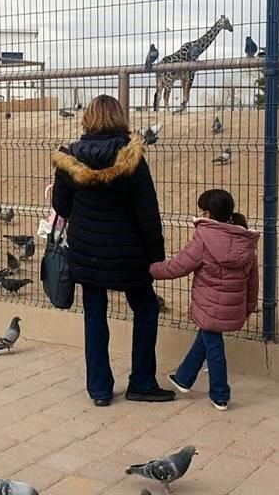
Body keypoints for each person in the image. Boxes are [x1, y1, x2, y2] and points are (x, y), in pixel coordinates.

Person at [51, 94, 173, 407]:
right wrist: (156, 255)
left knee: (94, 314)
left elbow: (61, 206)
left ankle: (100, 389)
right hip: (129, 253)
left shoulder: (70, 158)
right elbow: (148, 210)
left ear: (88, 118)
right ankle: (142, 381)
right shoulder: (131, 156)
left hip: (87, 251)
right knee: (145, 308)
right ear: (119, 117)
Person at [150, 189, 259, 412]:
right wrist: (248, 307)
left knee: (214, 345)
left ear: (208, 213)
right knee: (207, 335)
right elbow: (253, 281)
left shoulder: (204, 238)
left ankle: (220, 394)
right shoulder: (245, 241)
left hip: (208, 303)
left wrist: (150, 270)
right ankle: (183, 378)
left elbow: (179, 266)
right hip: (231, 306)